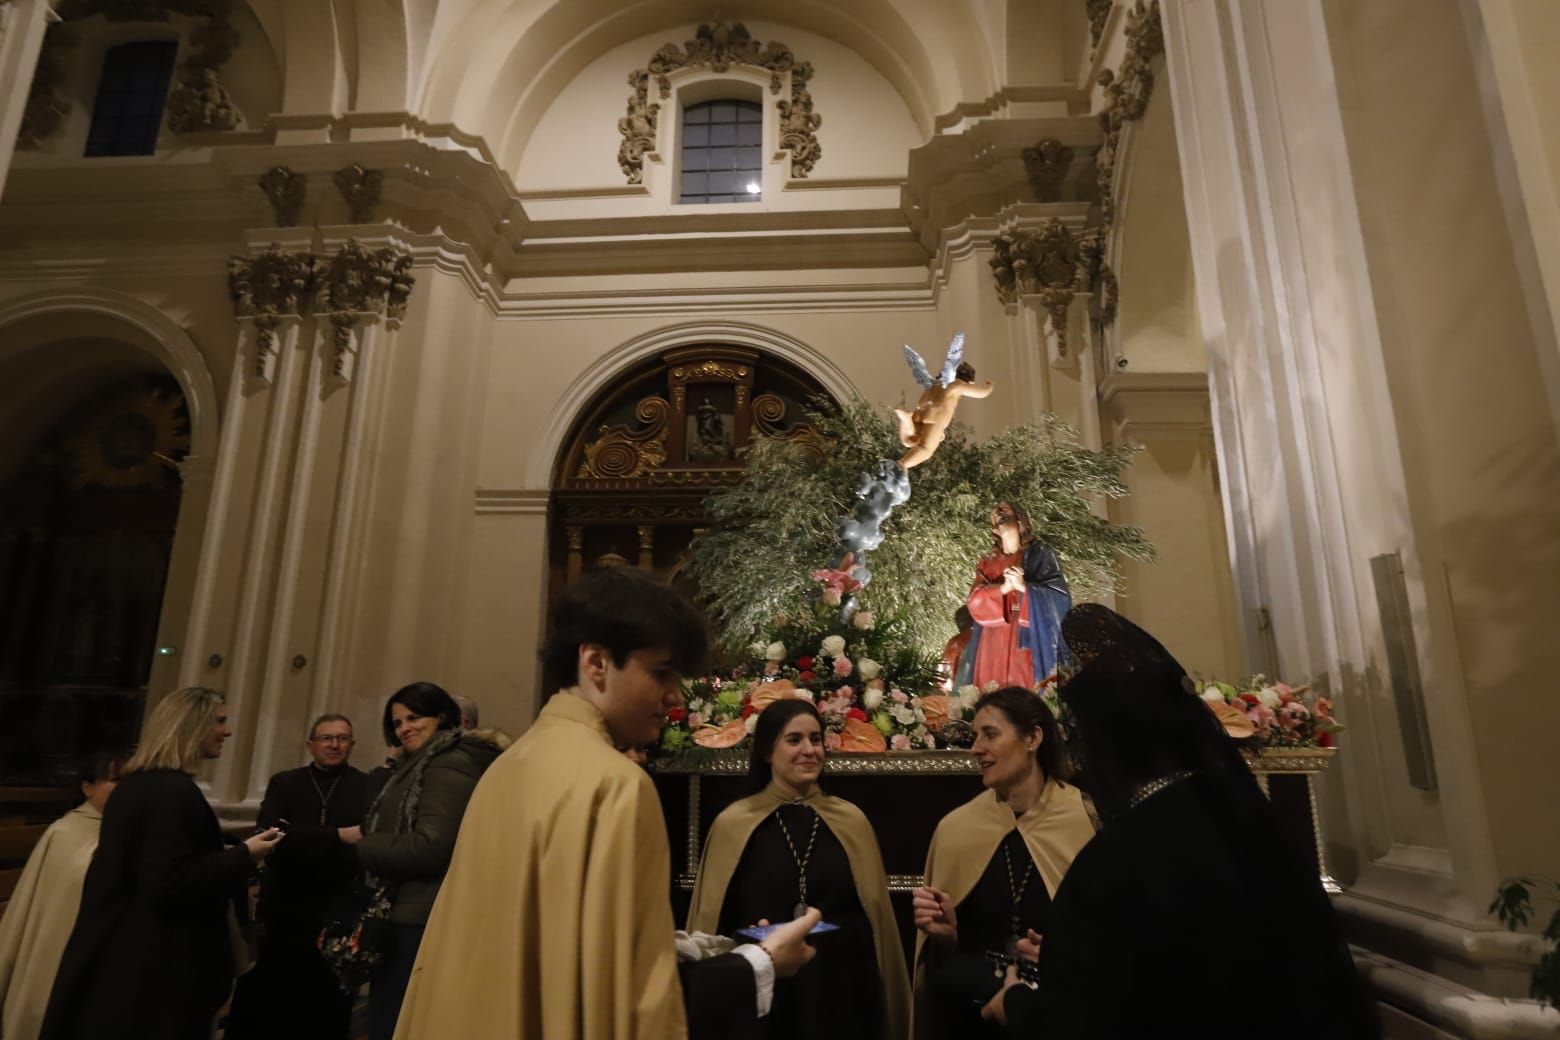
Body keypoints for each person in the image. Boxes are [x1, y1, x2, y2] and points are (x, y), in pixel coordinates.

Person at [391, 566, 818, 1039]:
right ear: (596, 663)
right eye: (660, 672)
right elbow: (634, 1004)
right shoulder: (616, 785)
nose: (675, 696)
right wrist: (762, 962)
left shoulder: (508, 764)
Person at [982, 605, 1379, 1038]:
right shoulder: (1244, 818)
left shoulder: (1122, 857)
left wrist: (1017, 1002)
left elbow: (1091, 1017)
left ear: (1107, 743)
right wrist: (1068, 954)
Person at [39, 687, 284, 1040]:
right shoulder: (173, 793)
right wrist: (245, 855)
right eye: (219, 721)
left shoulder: (134, 787)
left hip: (122, 959)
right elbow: (169, 883)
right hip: (158, 969)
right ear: (192, 726)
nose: (227, 731)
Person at [687, 699, 912, 1040]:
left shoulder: (851, 820)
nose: (809, 750)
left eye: (816, 739)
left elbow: (874, 917)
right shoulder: (734, 823)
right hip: (767, 989)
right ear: (767, 752)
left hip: (840, 988)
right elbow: (714, 919)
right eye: (794, 740)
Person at [911, 687, 1094, 1040]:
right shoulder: (956, 828)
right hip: (975, 1017)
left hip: (1059, 1017)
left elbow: (1116, 937)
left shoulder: (1086, 819)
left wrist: (1064, 956)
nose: (977, 748)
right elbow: (942, 962)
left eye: (990, 734)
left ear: (1033, 737)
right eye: (975, 736)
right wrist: (948, 937)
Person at [335, 682, 507, 1040]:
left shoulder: (450, 762)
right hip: (410, 911)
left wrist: (365, 847)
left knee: (400, 1024)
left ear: (441, 716)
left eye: (414, 717)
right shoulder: (424, 761)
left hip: (421, 917)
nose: (404, 728)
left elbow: (432, 846)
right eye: (397, 723)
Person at [225, 714, 371, 1040]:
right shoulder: (286, 782)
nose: (334, 745)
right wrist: (338, 836)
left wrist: (305, 838)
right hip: (286, 906)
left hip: (338, 908)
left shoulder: (365, 786)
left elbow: (366, 837)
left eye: (343, 738)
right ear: (310, 744)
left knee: (329, 999)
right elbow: (273, 835)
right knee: (276, 994)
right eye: (326, 738)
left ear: (352, 744)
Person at [0, 751, 125, 1040]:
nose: (125, 790)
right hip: (56, 959)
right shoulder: (66, 832)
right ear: (87, 787)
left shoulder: (122, 831)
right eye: (116, 780)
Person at [964, 502, 1070, 690]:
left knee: (1023, 690)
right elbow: (974, 601)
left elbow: (1060, 598)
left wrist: (1025, 588)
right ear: (994, 530)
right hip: (993, 638)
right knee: (992, 689)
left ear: (1021, 521)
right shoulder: (988, 563)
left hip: (1027, 635)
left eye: (1004, 510)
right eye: (995, 513)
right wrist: (1003, 589)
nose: (997, 512)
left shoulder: (1040, 554)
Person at [895, 360, 994, 470]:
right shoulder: (958, 385)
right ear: (969, 381)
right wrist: (988, 386)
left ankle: (906, 420)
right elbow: (981, 393)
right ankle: (902, 465)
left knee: (909, 440)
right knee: (926, 448)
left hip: (920, 412)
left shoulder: (935, 383)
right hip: (935, 415)